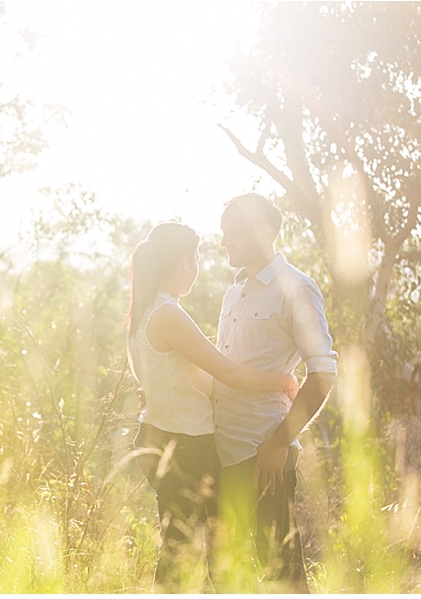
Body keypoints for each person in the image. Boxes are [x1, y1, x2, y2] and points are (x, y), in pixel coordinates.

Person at [126, 222, 298, 592]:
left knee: (182, 551)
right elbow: (227, 372)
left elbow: (196, 382)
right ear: (185, 260)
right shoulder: (167, 314)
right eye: (198, 257)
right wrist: (284, 381)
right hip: (185, 447)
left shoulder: (146, 312)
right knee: (210, 553)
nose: (199, 265)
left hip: (160, 437)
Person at [211, 194, 337, 593]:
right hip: (223, 449)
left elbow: (322, 373)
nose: (223, 241)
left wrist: (279, 443)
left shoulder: (295, 288)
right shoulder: (235, 292)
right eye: (223, 232)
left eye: (233, 233)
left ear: (264, 233)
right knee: (226, 574)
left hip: (262, 455)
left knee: (282, 573)